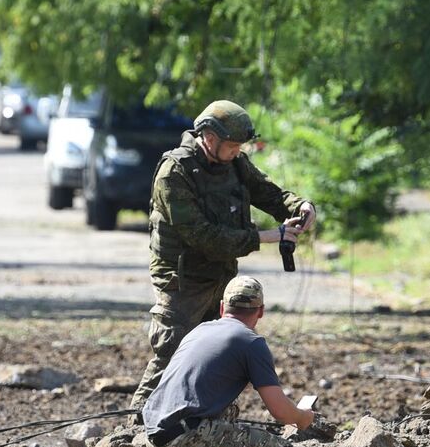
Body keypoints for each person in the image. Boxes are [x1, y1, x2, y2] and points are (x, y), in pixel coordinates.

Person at [132, 99, 317, 406]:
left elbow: (266, 191)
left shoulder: (234, 163)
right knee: (172, 355)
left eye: (239, 147)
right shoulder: (174, 173)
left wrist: (299, 206)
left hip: (219, 277)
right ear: (209, 138)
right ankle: (134, 430)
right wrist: (269, 236)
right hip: (182, 282)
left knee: (213, 356)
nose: (236, 153)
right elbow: (202, 236)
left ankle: (197, 425)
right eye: (232, 146)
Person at [141, 276, 314, 447]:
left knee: (230, 411)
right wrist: (302, 417)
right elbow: (280, 412)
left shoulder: (199, 331)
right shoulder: (252, 342)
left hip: (153, 439)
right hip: (182, 441)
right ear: (260, 311)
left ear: (223, 307)